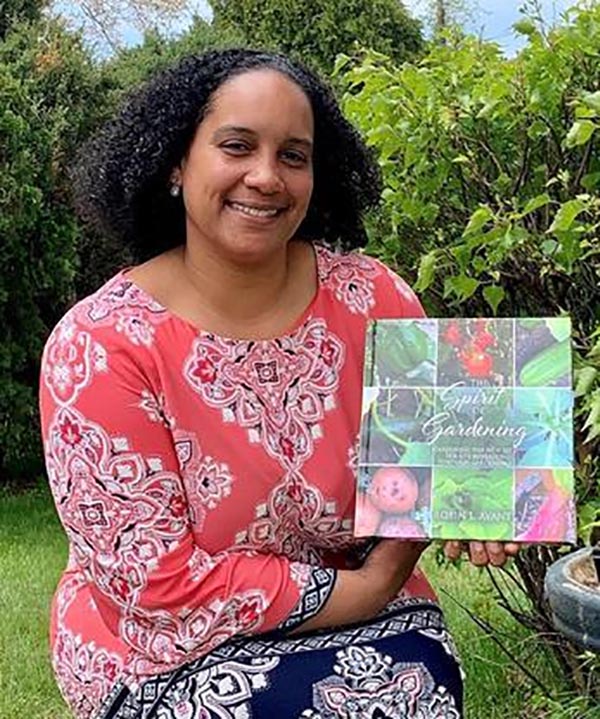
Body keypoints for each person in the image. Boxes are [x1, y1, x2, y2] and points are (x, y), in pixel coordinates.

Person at [40, 49, 515, 719]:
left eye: (294, 156)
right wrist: (370, 587)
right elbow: (159, 594)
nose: (265, 177)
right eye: (237, 146)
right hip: (164, 650)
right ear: (178, 162)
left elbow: (434, 471)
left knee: (407, 694)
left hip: (368, 628)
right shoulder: (100, 346)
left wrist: (481, 503)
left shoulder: (374, 298)